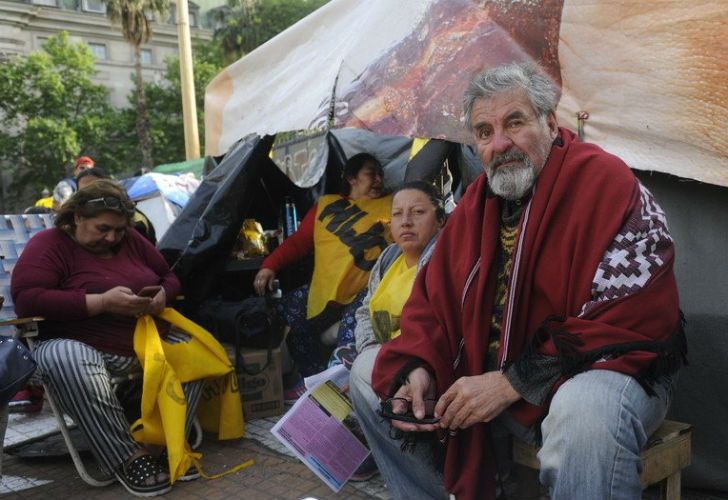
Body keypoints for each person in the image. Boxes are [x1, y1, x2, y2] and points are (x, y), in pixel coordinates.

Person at [357, 61, 685, 500]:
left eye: (515, 122)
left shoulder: (608, 183)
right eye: (485, 132)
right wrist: (419, 366)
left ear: (550, 122)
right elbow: (430, 303)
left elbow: (631, 315)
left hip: (602, 372)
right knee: (367, 371)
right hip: (491, 380)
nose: (501, 143)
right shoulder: (474, 206)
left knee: (584, 410)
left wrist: (511, 381)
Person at [11, 180, 202, 497]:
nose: (112, 237)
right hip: (82, 346)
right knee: (65, 357)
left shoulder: (131, 241)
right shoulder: (49, 245)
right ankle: (128, 457)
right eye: (102, 228)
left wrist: (162, 296)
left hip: (146, 341)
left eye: (119, 230)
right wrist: (100, 302)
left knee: (195, 349)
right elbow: (28, 300)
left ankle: (158, 444)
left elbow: (170, 276)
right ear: (77, 218)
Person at [253, 153, 391, 401]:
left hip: (368, 292)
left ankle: (334, 397)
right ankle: (313, 382)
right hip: (326, 291)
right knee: (287, 318)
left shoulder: (394, 203)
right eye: (372, 173)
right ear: (352, 178)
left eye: (381, 173)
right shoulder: (326, 205)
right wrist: (269, 266)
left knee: (353, 335)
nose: (379, 179)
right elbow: (298, 243)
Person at [347, 180, 445, 481]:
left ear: (440, 219)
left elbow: (444, 325)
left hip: (426, 369)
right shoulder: (389, 258)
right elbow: (365, 310)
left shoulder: (443, 259)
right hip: (385, 359)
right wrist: (371, 351)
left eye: (418, 212)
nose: (406, 221)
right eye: (398, 213)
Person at [76, 167, 157, 245]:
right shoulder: (73, 220)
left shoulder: (134, 220)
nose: (111, 238)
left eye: (119, 230)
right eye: (82, 192)